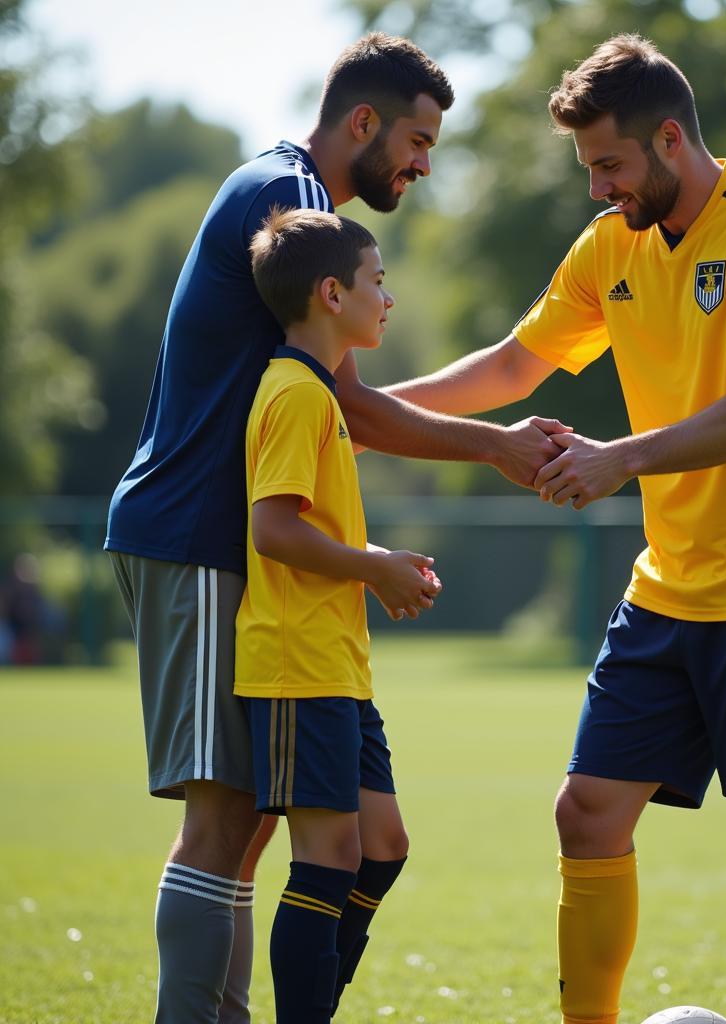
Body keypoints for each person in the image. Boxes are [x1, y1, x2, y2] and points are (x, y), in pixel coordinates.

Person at [336, 34, 726, 1024]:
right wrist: (363, 422)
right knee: (586, 813)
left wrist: (618, 455)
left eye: (608, 165)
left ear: (670, 140)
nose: (595, 188)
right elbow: (509, 366)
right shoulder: (613, 242)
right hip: (668, 583)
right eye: (588, 169)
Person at [106, 32, 565, 1024]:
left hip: (220, 547)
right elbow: (349, 407)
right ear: (362, 122)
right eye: (415, 138)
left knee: (253, 821)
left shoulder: (282, 194)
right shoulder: (299, 207)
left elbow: (336, 402)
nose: (424, 163)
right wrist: (494, 447)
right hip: (190, 536)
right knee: (222, 813)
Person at [238, 206, 440, 1024]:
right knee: (327, 861)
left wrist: (382, 566)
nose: (386, 299)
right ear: (331, 294)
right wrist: (373, 568)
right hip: (295, 665)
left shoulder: (321, 396)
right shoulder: (292, 393)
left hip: (338, 669)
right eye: (377, 283)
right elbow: (273, 528)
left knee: (380, 850)